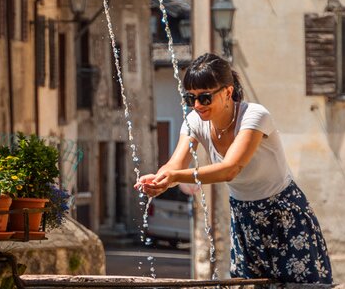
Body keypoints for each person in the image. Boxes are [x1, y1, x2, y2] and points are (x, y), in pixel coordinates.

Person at [135, 53, 333, 283]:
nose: (197, 105)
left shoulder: (254, 116)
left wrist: (175, 176)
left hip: (283, 214)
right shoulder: (194, 122)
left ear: (228, 92)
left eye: (205, 98)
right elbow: (175, 164)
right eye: (190, 98)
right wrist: (160, 180)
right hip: (243, 217)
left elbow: (230, 168)